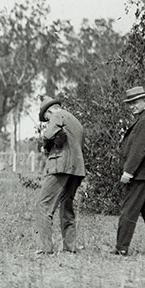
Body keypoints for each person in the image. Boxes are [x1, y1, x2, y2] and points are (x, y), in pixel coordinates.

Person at [36, 96, 86, 255]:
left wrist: (45, 145)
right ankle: (69, 248)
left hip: (60, 166)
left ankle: (45, 249)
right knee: (67, 206)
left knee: (44, 205)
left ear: (50, 111)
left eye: (46, 118)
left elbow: (49, 135)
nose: (48, 121)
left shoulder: (58, 115)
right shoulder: (76, 121)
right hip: (77, 168)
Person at [113, 86, 145, 256]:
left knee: (128, 210)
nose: (132, 106)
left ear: (144, 100)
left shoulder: (144, 121)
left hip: (139, 175)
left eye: (135, 102)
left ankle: (121, 247)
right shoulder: (144, 118)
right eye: (129, 103)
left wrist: (128, 172)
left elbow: (139, 149)